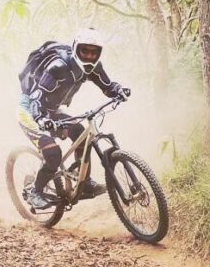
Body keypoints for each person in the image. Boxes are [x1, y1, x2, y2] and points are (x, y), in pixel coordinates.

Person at [17, 28, 131, 210]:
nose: (89, 56)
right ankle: (35, 192)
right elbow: (36, 97)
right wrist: (40, 118)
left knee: (83, 137)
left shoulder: (94, 68)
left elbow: (108, 87)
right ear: (76, 48)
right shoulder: (58, 66)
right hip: (30, 110)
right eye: (84, 51)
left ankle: (84, 182)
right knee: (53, 153)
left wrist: (119, 91)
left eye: (94, 52)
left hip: (52, 111)